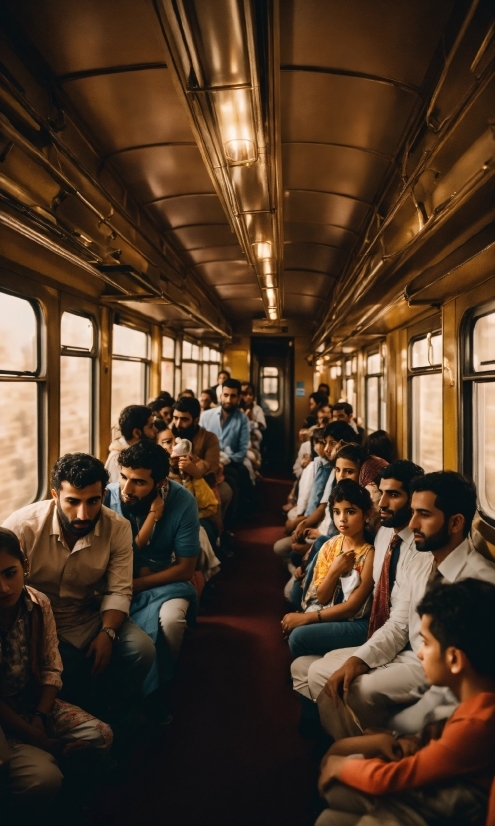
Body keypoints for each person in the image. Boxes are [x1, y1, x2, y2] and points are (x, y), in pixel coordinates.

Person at [316, 471, 495, 741]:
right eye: (412, 513)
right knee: (330, 670)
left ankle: (378, 751)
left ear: (456, 522)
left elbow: (473, 673)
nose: (412, 524)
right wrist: (359, 660)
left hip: (441, 672)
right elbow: (399, 624)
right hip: (413, 653)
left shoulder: (481, 581)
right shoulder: (421, 562)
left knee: (353, 691)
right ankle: (368, 747)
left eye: (423, 514)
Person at [316, 579, 495, 826]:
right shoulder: (478, 702)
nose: (419, 652)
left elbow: (399, 777)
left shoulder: (479, 722)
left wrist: (341, 767)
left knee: (338, 784)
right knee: (332, 808)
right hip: (442, 790)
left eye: (427, 643)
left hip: (451, 806)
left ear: (454, 659)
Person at [2, 454, 155, 721]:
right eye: (72, 501)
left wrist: (107, 633)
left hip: (87, 614)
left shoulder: (118, 528)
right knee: (68, 666)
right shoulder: (22, 527)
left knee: (141, 650)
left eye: (93, 501)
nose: (83, 514)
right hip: (34, 617)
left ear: (103, 495)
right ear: (54, 495)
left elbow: (119, 590)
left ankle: (119, 712)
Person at [291, 459, 424, 709]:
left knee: (302, 644)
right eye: (381, 493)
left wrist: (360, 657)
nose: (382, 503)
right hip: (377, 621)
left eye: (393, 495)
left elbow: (393, 622)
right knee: (301, 664)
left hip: (385, 630)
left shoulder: (420, 551)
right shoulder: (385, 534)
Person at [0, 529, 113, 809]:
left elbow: (51, 668)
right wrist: (42, 740)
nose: (3, 588)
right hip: (4, 716)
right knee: (43, 778)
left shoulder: (39, 604)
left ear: (25, 565)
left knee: (101, 735)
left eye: (9, 573)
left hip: (32, 702)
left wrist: (40, 715)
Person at [104, 441, 200, 720]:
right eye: (122, 477)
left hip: (163, 578)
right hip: (118, 576)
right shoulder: (108, 497)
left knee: (170, 621)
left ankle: (161, 686)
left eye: (138, 482)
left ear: (159, 482)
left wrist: (138, 585)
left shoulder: (182, 502)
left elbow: (185, 568)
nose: (126, 489)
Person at [281, 480, 375, 659]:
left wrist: (305, 619)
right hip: (329, 610)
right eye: (336, 512)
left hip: (353, 620)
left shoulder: (369, 554)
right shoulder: (330, 546)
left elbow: (351, 608)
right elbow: (322, 597)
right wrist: (335, 570)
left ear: (367, 514)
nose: (342, 519)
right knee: (295, 630)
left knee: (297, 637)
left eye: (350, 512)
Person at [200, 378, 251, 526]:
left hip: (230, 461)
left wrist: (224, 459)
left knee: (237, 477)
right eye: (226, 395)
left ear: (239, 398)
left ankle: (229, 522)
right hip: (208, 462)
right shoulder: (206, 416)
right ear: (220, 395)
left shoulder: (242, 419)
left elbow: (242, 452)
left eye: (233, 396)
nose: (228, 400)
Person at [105, 405, 157, 483]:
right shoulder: (116, 458)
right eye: (151, 426)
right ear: (136, 432)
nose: (156, 430)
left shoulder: (142, 451)